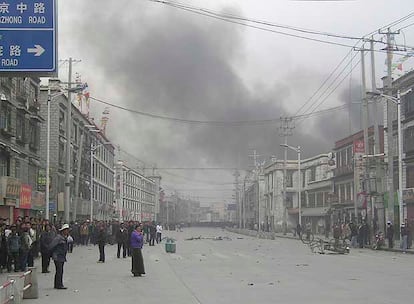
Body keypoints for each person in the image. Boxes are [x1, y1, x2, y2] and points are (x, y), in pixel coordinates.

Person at [49, 224, 70, 289]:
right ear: (63, 231)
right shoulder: (58, 238)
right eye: (66, 230)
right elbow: (51, 246)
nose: (67, 231)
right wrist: (53, 253)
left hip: (62, 256)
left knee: (60, 271)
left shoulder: (64, 238)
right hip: (57, 256)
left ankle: (59, 284)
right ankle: (58, 285)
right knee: (59, 271)